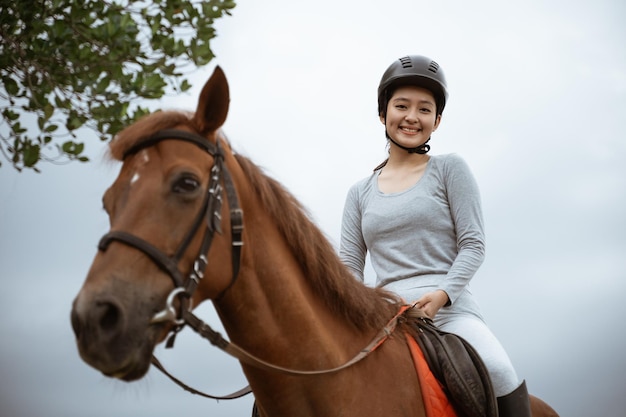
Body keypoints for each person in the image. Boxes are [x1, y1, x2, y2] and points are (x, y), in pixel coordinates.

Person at [339, 55, 531, 417]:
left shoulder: (449, 169)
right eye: (401, 106)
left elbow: (473, 244)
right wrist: (359, 310)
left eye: (424, 109)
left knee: (501, 372)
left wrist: (443, 294)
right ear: (383, 114)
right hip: (385, 318)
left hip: (450, 314)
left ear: (436, 121)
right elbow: (350, 265)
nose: (412, 116)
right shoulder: (359, 193)